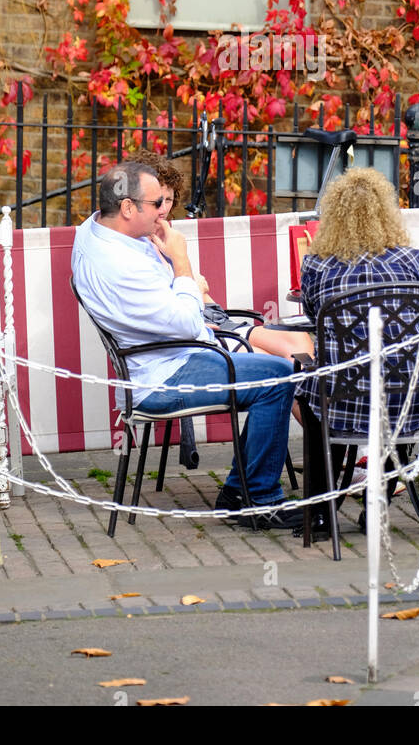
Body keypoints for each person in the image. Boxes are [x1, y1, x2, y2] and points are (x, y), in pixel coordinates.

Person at [72, 160, 299, 527]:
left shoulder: (97, 228)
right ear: (127, 208)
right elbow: (188, 322)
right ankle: (256, 497)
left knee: (290, 357)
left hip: (168, 356)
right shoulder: (120, 265)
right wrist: (181, 262)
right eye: (155, 204)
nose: (164, 212)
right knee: (278, 376)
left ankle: (249, 488)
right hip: (164, 375)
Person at [295, 166, 419, 538]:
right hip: (415, 397)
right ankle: (381, 500)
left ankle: (321, 513)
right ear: (386, 212)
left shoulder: (316, 264)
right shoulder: (409, 259)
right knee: (390, 379)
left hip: (346, 401)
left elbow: (314, 318)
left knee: (312, 391)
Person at [130, 149, 314, 366]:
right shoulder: (134, 247)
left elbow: (199, 288)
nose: (163, 209)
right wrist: (194, 284)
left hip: (216, 317)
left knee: (298, 340)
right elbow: (180, 299)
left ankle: (305, 400)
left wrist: (193, 281)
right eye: (156, 201)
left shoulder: (168, 237)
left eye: (168, 200)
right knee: (272, 363)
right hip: (195, 333)